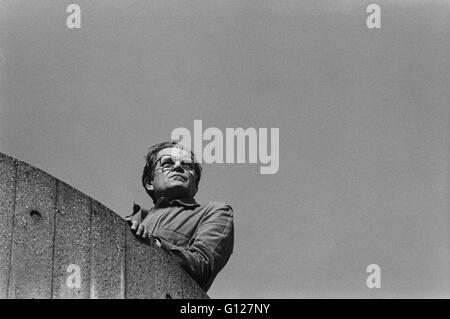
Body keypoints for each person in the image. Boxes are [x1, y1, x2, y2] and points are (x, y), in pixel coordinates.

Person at [126, 141, 234, 292]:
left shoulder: (214, 212)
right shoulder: (134, 219)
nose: (178, 167)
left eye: (187, 165)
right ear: (149, 182)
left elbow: (202, 267)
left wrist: (155, 244)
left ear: (195, 185)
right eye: (167, 163)